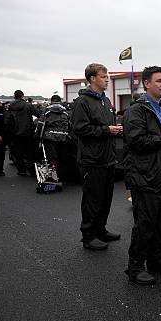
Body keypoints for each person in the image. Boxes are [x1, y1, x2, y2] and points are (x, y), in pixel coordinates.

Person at [123, 66, 161, 285]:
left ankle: (157, 260)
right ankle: (135, 267)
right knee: (145, 224)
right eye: (159, 81)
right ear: (147, 84)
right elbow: (136, 142)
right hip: (145, 175)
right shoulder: (136, 111)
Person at [70, 63, 122, 250]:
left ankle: (101, 230)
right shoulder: (82, 102)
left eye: (107, 76)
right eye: (103, 76)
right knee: (92, 199)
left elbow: (109, 126)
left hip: (108, 157)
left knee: (106, 198)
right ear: (92, 78)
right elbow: (79, 129)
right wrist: (106, 130)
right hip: (91, 160)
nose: (107, 78)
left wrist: (115, 130)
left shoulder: (106, 101)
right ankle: (88, 236)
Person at [35, 95, 74, 182]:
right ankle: (62, 177)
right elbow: (70, 125)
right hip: (64, 137)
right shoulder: (65, 111)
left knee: (52, 159)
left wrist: (38, 137)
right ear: (60, 101)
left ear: (51, 101)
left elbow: (41, 124)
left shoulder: (46, 111)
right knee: (62, 158)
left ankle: (53, 178)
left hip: (49, 138)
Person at [5, 90, 40, 176]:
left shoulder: (11, 106)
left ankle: (21, 170)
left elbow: (8, 120)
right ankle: (31, 170)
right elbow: (39, 114)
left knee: (18, 152)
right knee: (30, 151)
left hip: (15, 132)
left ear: (14, 96)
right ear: (22, 96)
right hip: (28, 132)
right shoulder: (28, 105)